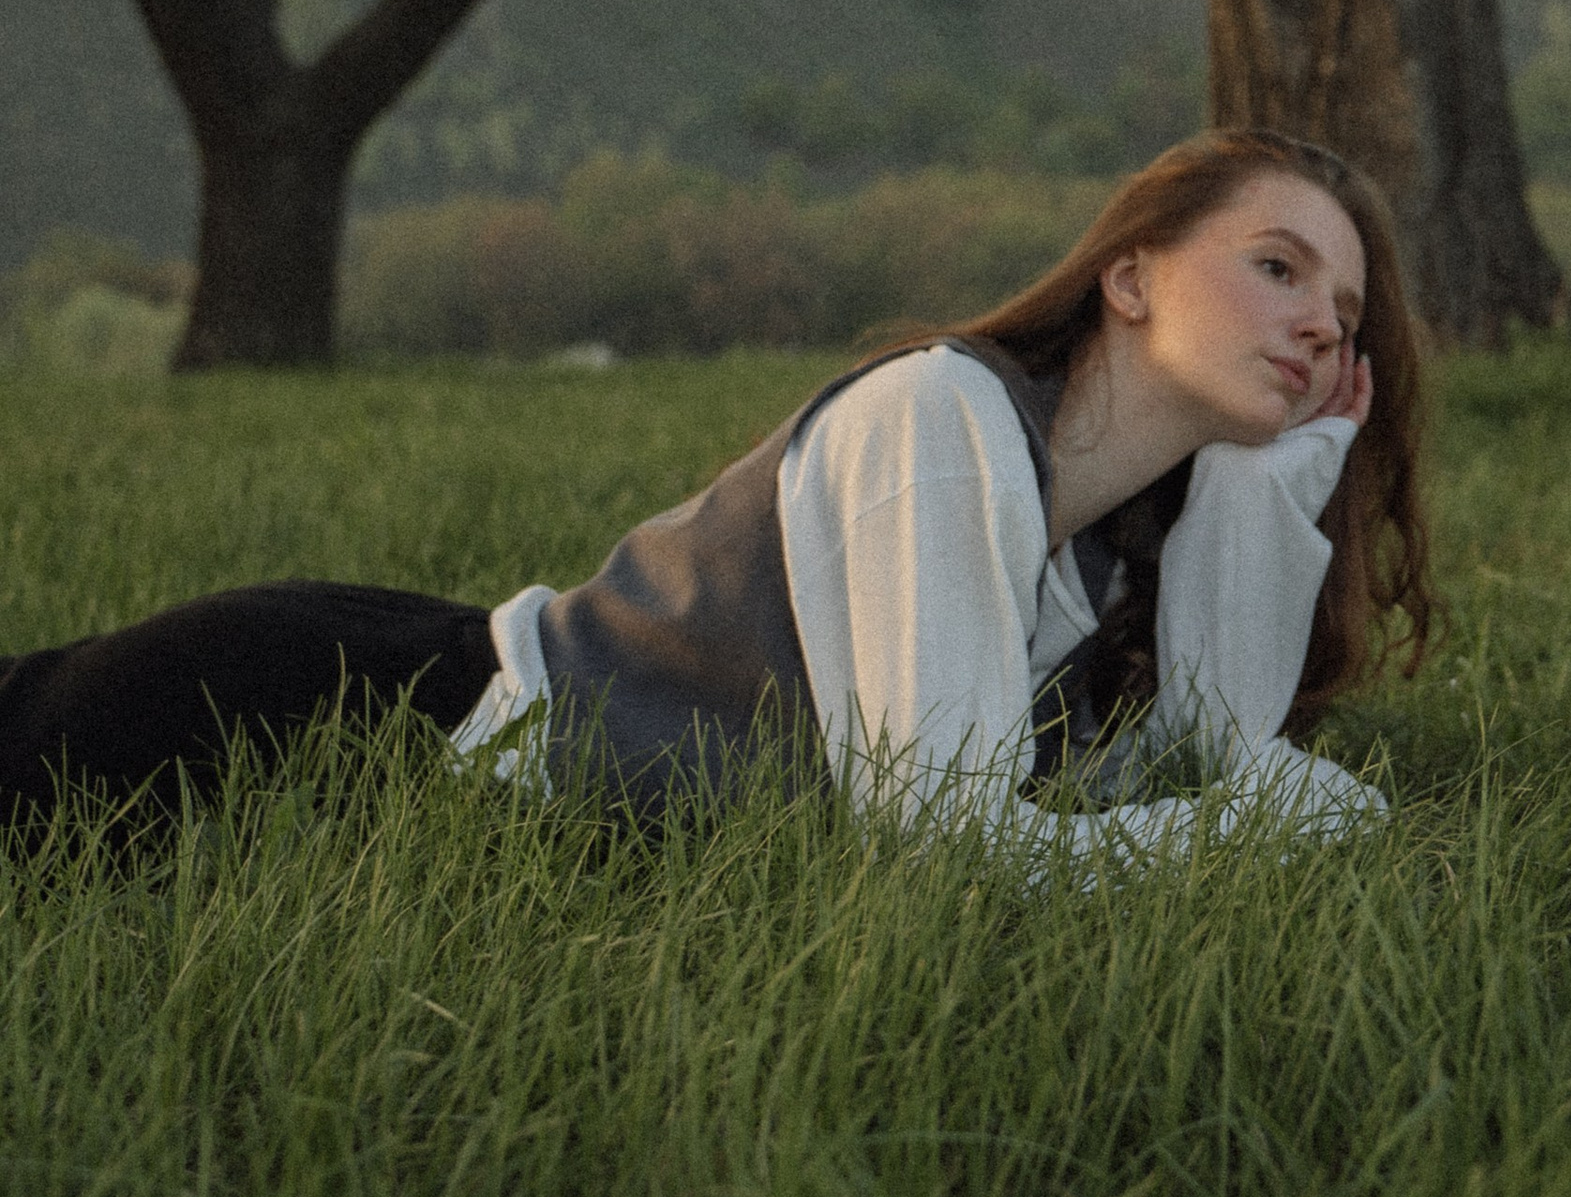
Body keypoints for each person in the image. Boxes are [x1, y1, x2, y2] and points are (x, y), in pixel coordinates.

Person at [0, 130, 1432, 855]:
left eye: (1343, 305)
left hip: (416, 794)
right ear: (1129, 277)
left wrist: (1267, 485)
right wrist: (1272, 824)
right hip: (342, 709)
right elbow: (951, 851)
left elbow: (1204, 766)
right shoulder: (943, 421)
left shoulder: (1103, 569)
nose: (1322, 321)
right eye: (1277, 266)